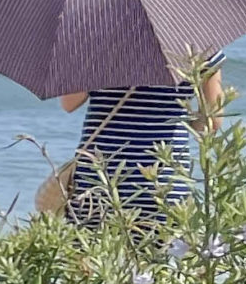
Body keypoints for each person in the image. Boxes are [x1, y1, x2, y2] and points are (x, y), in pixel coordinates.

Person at [58, 61, 223, 224]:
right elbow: (213, 121)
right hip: (164, 177)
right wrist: (181, 117)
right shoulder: (200, 47)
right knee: (164, 247)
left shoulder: (93, 45)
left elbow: (69, 103)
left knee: (93, 247)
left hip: (100, 175)